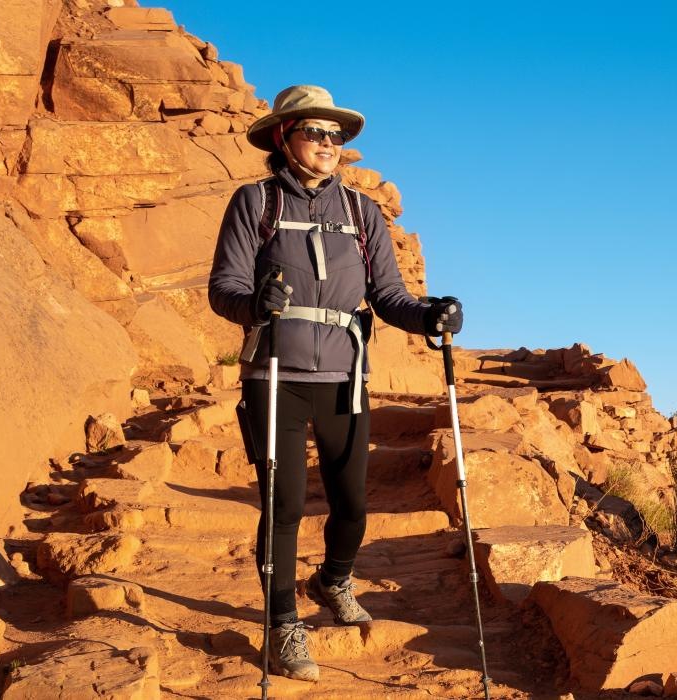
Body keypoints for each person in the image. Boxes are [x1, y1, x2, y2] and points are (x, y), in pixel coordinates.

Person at [208, 84, 464, 681]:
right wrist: (254, 304)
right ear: (284, 137)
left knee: (352, 501)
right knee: (285, 503)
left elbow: (389, 296)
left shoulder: (361, 213)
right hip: (275, 374)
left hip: (345, 378)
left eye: (336, 135)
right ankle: (281, 624)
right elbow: (224, 288)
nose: (329, 144)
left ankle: (334, 579)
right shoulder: (256, 203)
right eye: (316, 132)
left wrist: (428, 316)